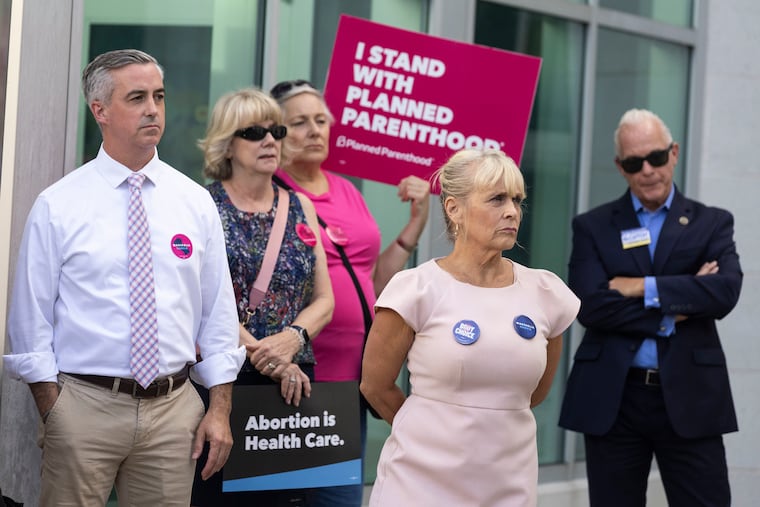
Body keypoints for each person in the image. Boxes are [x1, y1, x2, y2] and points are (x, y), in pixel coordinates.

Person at [3, 49, 245, 506]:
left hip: (174, 410)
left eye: (158, 95)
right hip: (83, 407)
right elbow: (29, 319)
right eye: (136, 97)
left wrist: (219, 407)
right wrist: (54, 408)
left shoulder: (193, 202)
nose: (153, 108)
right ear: (100, 110)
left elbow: (217, 313)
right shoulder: (59, 205)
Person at [360, 149, 580, 507]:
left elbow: (534, 394)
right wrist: (429, 432)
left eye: (517, 200)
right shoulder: (416, 288)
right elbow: (375, 385)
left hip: (508, 482)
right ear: (453, 209)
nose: (512, 211)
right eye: (497, 199)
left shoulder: (545, 293)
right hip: (420, 482)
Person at [558, 108, 743, 506]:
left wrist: (639, 286)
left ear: (673, 153)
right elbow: (589, 306)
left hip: (691, 396)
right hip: (614, 398)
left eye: (656, 158)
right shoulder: (593, 226)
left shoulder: (711, 223)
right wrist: (675, 306)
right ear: (620, 167)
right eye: (633, 162)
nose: (647, 170)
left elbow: (724, 292)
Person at [270, 79, 430, 506]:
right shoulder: (271, 192)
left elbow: (371, 283)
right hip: (292, 380)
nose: (315, 131)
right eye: (300, 123)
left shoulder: (346, 190)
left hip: (350, 384)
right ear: (277, 131)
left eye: (321, 121)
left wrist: (413, 227)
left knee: (338, 500)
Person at [191, 87, 334, 506]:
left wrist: (293, 339)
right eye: (254, 132)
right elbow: (201, 302)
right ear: (227, 144)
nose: (270, 140)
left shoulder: (300, 205)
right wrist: (268, 358)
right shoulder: (202, 205)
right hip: (222, 383)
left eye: (276, 130)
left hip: (290, 389)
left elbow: (325, 299)